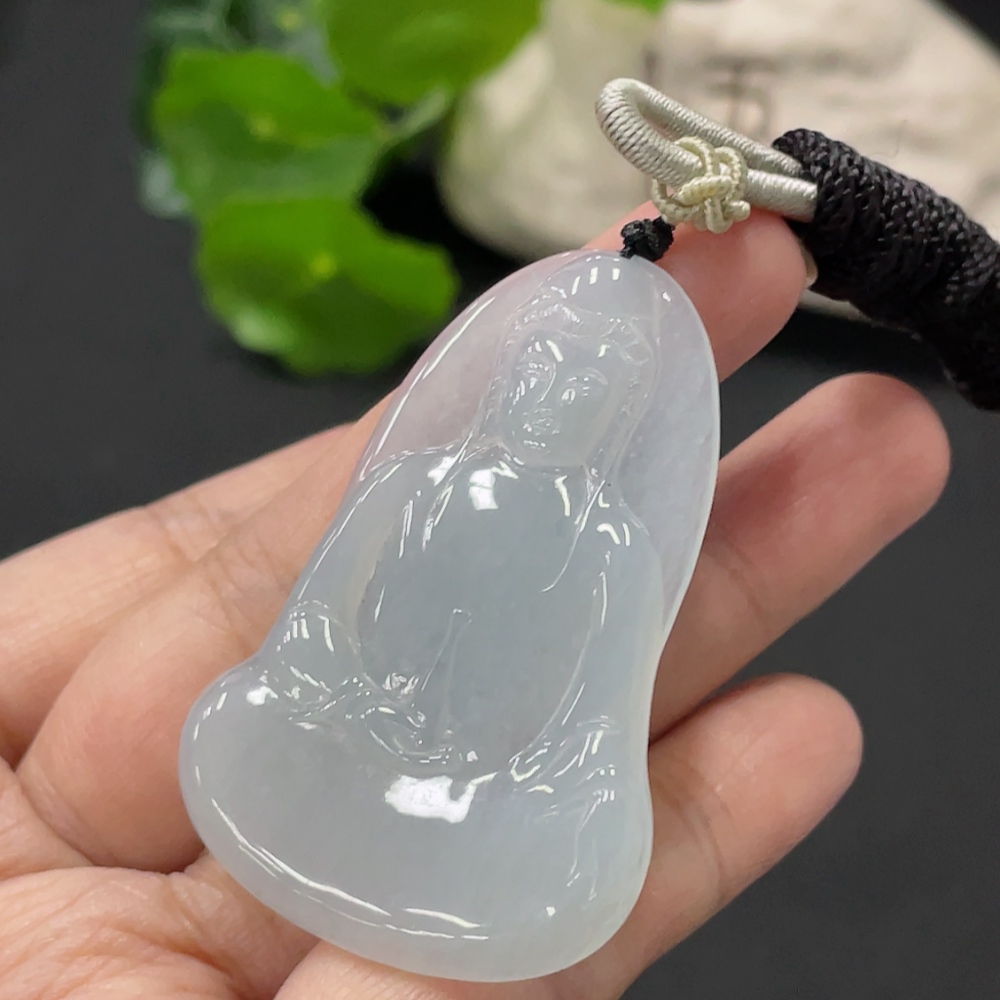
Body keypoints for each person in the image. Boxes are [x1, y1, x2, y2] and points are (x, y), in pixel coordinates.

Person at [0, 206, 949, 998]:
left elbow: (596, 714)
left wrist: (534, 768)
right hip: (350, 730)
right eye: (538, 369)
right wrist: (342, 687)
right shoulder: (411, 484)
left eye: (584, 384)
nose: (550, 395)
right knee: (242, 715)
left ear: (618, 413)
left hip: (488, 782)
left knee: (585, 839)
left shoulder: (612, 550)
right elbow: (317, 619)